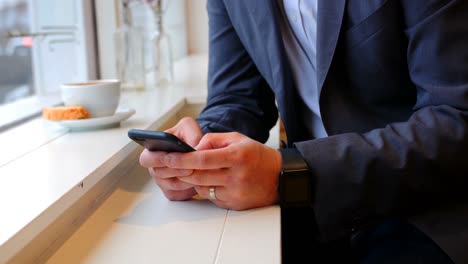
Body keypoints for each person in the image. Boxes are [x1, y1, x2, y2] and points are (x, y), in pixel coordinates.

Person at [139, 0, 468, 263]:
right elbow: (237, 98)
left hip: (426, 209)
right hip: (311, 210)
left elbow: (456, 119)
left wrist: (293, 173)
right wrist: (201, 152)